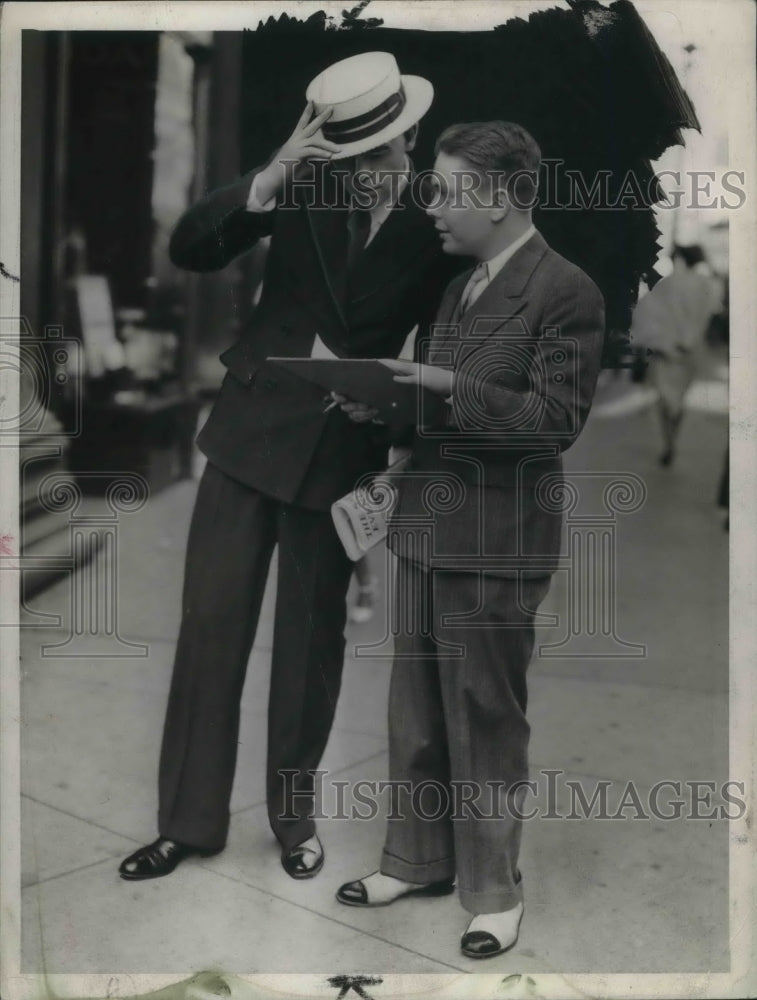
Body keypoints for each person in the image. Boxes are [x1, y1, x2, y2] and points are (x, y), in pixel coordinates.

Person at [119, 52, 460, 883]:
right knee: (211, 634)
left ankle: (293, 819)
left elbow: (447, 352)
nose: (371, 174)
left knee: (310, 651)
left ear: (407, 137)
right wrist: (268, 177)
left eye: (383, 155)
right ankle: (188, 823)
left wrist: (390, 410)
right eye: (352, 159)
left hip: (340, 460)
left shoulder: (436, 227)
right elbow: (192, 245)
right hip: (244, 442)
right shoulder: (301, 191)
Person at [335, 121, 605, 958]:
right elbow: (439, 407)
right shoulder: (458, 288)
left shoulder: (565, 290)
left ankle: (492, 892)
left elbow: (555, 421)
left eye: (446, 191)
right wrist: (393, 434)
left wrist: (447, 386)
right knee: (413, 711)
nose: (432, 206)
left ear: (499, 195)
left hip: (497, 537)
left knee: (486, 713)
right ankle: (414, 859)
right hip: (423, 520)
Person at [629, 244, 722, 466]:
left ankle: (668, 441)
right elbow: (712, 315)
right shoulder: (707, 285)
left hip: (665, 350)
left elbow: (646, 312)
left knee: (665, 398)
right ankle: (674, 435)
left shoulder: (667, 284)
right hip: (692, 351)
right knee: (679, 398)